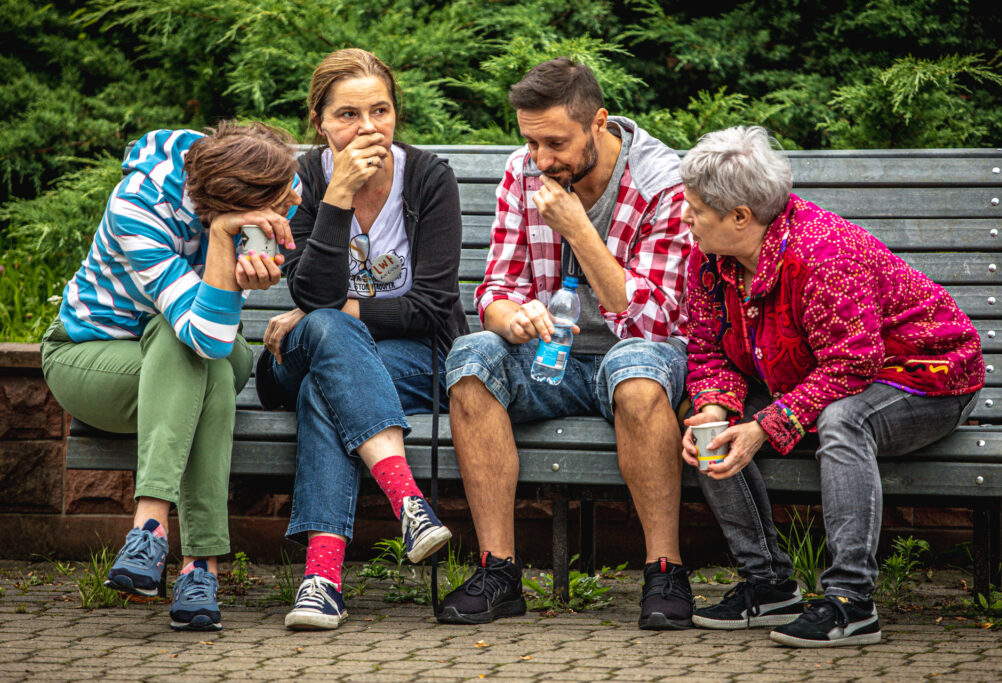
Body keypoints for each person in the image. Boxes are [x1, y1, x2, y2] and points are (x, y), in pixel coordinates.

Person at [681, 126, 984, 647]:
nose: (685, 218)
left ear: (739, 216)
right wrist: (714, 407)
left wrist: (767, 425)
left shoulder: (822, 253)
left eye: (695, 209)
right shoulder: (710, 260)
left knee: (843, 420)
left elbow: (852, 365)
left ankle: (851, 602)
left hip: (926, 375)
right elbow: (707, 347)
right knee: (713, 427)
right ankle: (769, 583)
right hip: (821, 376)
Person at [439, 58, 694, 629]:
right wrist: (514, 320)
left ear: (598, 123)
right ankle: (499, 571)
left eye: (554, 143)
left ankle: (665, 569)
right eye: (530, 142)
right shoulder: (522, 170)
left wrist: (579, 228)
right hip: (551, 357)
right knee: (470, 359)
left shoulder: (662, 182)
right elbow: (495, 290)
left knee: (636, 371)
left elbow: (653, 320)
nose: (540, 160)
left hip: (637, 353)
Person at [41, 122, 302, 631]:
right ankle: (197, 564)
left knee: (203, 360)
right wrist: (225, 240)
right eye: (277, 203)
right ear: (225, 207)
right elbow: (202, 337)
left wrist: (240, 247)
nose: (288, 204)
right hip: (90, 354)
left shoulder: (270, 183)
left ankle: (149, 538)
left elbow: (211, 334)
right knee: (185, 346)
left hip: (192, 353)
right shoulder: (137, 206)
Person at [254, 48, 468, 631]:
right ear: (319, 121)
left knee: (327, 383)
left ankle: (322, 581)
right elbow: (310, 292)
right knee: (326, 332)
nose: (368, 127)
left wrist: (332, 311)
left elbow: (430, 306)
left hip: (403, 361)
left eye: (381, 110)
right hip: (290, 360)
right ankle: (409, 505)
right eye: (348, 114)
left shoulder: (428, 180)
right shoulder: (305, 180)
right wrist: (338, 196)